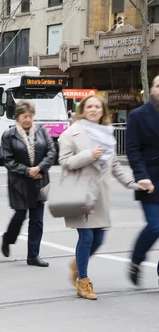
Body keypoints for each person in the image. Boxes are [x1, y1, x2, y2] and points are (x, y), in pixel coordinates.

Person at [59, 94, 138, 300]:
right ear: (82, 110)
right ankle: (83, 281)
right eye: (89, 106)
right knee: (86, 237)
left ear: (103, 111)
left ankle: (78, 263)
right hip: (80, 192)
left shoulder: (108, 135)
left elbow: (115, 166)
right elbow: (65, 162)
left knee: (99, 238)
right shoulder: (70, 134)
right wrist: (89, 155)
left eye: (97, 107)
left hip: (100, 195)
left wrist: (132, 183)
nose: (93, 110)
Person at [0, 100, 56, 267]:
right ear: (17, 117)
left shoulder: (42, 131)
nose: (28, 120)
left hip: (40, 180)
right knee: (20, 215)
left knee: (37, 220)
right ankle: (8, 238)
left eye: (30, 116)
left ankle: (33, 255)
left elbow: (51, 152)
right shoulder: (9, 135)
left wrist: (40, 168)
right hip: (19, 183)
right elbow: (8, 160)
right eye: (24, 116)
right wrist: (26, 170)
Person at [126, 74, 159, 286]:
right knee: (155, 226)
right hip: (150, 181)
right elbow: (132, 149)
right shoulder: (138, 115)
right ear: (152, 89)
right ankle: (136, 260)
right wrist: (142, 176)